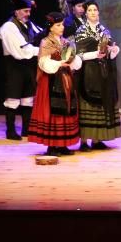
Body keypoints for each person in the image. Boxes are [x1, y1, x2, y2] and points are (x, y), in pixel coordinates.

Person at [28, 12, 82, 155]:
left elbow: (73, 60)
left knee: (66, 109)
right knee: (52, 111)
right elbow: (43, 62)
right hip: (50, 82)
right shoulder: (46, 42)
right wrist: (60, 63)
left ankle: (63, 144)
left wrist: (72, 60)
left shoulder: (65, 42)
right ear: (51, 27)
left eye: (62, 24)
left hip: (65, 79)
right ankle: (52, 146)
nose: (62, 27)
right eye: (58, 25)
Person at [74, 0, 121, 150]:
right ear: (86, 14)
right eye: (90, 10)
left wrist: (114, 51)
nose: (93, 13)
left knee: (101, 105)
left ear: (99, 12)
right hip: (87, 73)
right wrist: (95, 54)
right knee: (87, 105)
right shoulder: (81, 31)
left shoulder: (104, 30)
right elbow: (78, 55)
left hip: (103, 73)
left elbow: (109, 51)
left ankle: (96, 140)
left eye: (95, 10)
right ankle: (83, 141)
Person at [0, 0, 40, 140]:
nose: (28, 14)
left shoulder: (29, 25)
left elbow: (40, 34)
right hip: (14, 66)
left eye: (29, 11)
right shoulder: (9, 27)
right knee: (13, 99)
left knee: (28, 98)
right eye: (25, 11)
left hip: (28, 66)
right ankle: (10, 131)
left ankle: (26, 129)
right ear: (16, 11)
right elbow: (21, 51)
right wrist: (41, 51)